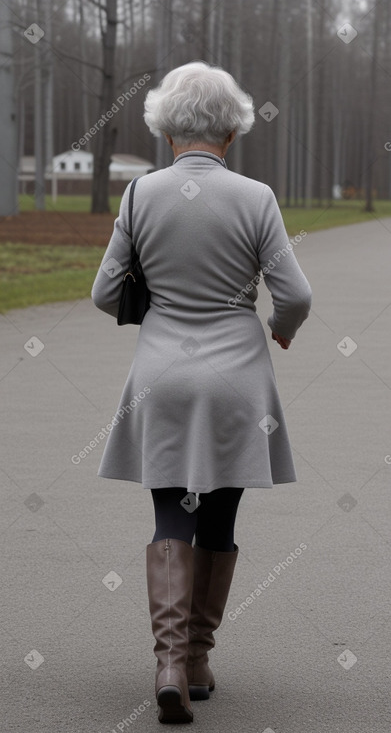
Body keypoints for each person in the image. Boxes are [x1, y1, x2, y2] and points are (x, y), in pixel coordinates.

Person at [91, 61, 312, 725]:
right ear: (231, 131)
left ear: (165, 130)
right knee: (218, 518)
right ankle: (198, 660)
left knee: (170, 518)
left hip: (161, 377)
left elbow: (106, 292)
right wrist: (278, 328)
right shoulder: (255, 197)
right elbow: (295, 294)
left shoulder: (140, 195)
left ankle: (166, 664)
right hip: (235, 379)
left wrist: (154, 307)